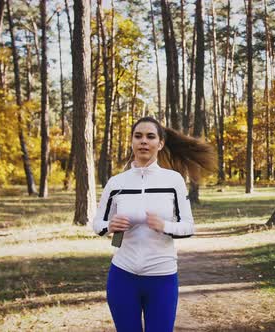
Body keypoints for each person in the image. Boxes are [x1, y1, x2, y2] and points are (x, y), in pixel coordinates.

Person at [92, 116, 216, 332]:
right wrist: (110, 225)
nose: (143, 141)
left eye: (150, 137)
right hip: (122, 276)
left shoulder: (173, 180)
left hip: (162, 278)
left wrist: (165, 226)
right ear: (131, 141)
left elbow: (188, 226)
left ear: (160, 144)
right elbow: (97, 223)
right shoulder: (116, 183)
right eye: (138, 136)